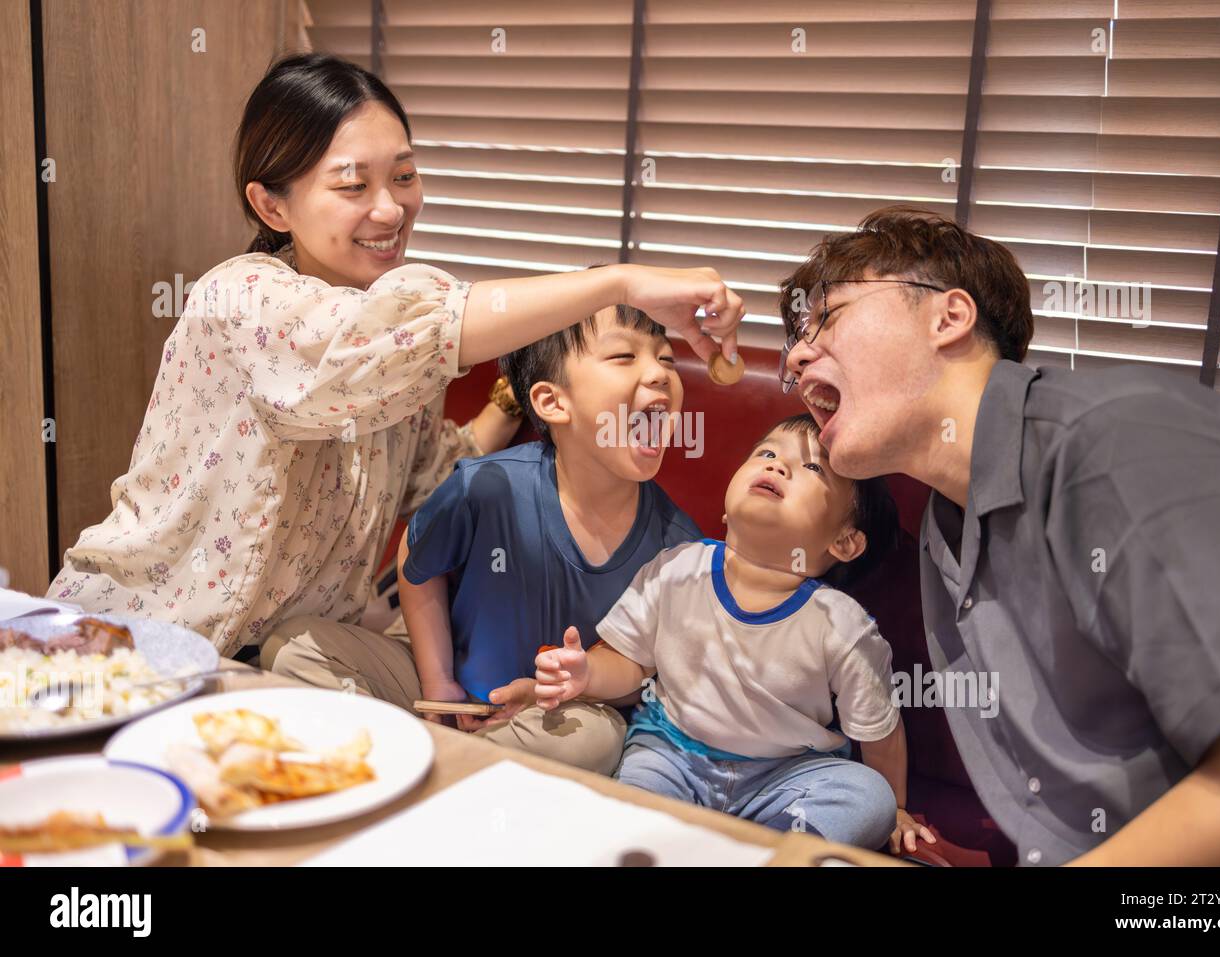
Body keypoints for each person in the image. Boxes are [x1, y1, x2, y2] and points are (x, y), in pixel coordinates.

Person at [47, 52, 743, 657]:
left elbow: (428, 468)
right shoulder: (243, 300)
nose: (390, 209)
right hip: (133, 637)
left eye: (404, 176)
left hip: (266, 671)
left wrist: (517, 397)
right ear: (272, 205)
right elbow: (393, 341)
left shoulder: (385, 330)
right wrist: (620, 282)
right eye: (353, 186)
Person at [781, 204, 1220, 865]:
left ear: (949, 317)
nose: (797, 356)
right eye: (796, 337)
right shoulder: (945, 525)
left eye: (828, 316)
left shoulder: (1122, 446)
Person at [269, 303, 702, 775]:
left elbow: (638, 672)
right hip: (444, 690)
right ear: (552, 402)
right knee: (291, 647)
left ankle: (416, 764)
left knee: (592, 743)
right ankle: (437, 758)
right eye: (624, 356)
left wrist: (548, 692)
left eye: (666, 358)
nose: (659, 374)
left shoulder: (675, 546)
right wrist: (438, 687)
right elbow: (418, 559)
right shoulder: (487, 487)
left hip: (554, 719)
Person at [533, 414, 937, 853]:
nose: (777, 466)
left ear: (844, 541)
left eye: (813, 468)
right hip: (673, 754)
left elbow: (879, 730)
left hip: (785, 775)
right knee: (638, 792)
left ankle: (772, 851)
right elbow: (630, 663)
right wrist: (587, 673)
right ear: (726, 509)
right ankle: (669, 844)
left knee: (867, 796)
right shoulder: (676, 569)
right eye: (766, 453)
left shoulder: (842, 625)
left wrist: (896, 806)